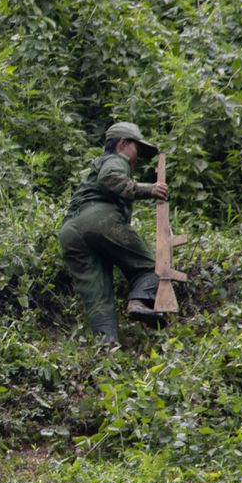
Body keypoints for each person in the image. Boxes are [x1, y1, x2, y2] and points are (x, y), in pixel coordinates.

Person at [58, 121, 170, 345]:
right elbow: (109, 178)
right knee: (152, 266)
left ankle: (106, 346)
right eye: (137, 149)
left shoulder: (101, 162)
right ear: (123, 143)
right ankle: (138, 302)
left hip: (70, 233)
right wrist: (148, 189)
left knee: (98, 295)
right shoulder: (116, 160)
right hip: (98, 221)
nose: (137, 158)